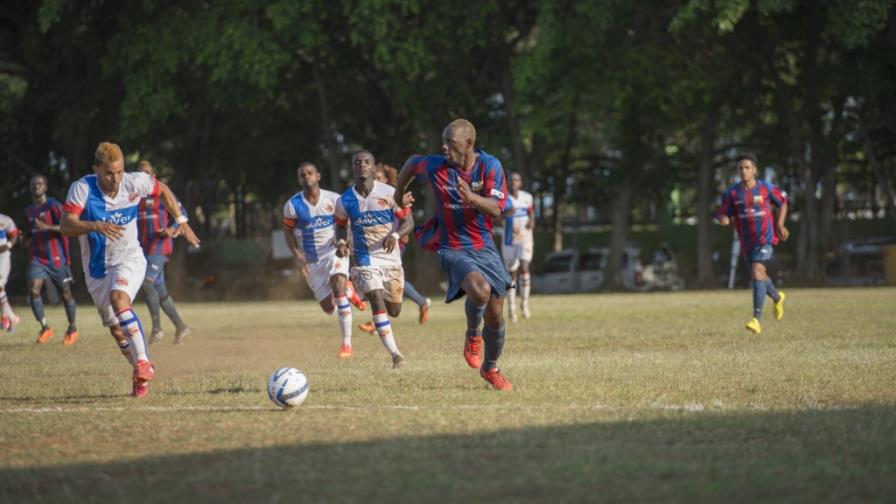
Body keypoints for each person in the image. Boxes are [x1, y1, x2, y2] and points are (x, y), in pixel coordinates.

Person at [61, 141, 200, 397]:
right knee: (116, 329)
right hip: (96, 268)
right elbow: (66, 226)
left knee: (119, 299)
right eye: (109, 173)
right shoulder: (82, 189)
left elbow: (163, 189)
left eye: (119, 171)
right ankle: (140, 371)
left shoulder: (134, 182)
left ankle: (143, 363)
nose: (115, 179)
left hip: (130, 259)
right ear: (96, 169)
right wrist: (95, 225)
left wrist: (181, 220)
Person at [395, 119, 513, 390]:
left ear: (468, 143)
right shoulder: (437, 166)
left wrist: (471, 198)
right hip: (452, 247)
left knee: (496, 315)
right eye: (443, 141)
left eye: (450, 142)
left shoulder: (490, 166)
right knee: (480, 291)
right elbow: (411, 164)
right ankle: (473, 335)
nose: (444, 147)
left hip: (485, 247)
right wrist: (398, 195)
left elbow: (496, 208)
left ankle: (491, 368)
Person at [335, 150, 413, 369]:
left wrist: (395, 235)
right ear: (352, 167)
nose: (362, 165)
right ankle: (396, 356)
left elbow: (408, 222)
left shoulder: (390, 193)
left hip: (390, 259)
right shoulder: (344, 200)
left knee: (394, 311)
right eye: (357, 162)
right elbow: (340, 226)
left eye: (366, 162)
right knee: (376, 297)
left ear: (373, 166)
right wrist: (341, 242)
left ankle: (354, 291)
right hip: (363, 258)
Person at [282, 162, 365, 359]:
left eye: (310, 173)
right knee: (329, 308)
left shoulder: (334, 199)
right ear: (299, 179)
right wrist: (297, 256)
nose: (307, 176)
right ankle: (349, 290)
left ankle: (346, 345)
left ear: (318, 176)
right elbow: (288, 232)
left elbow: (347, 224)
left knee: (338, 288)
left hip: (333, 252)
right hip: (311, 261)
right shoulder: (292, 205)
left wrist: (345, 242)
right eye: (303, 175)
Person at [716, 153, 789, 334]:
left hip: (765, 238)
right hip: (746, 242)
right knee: (760, 274)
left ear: (754, 170)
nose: (744, 171)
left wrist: (780, 224)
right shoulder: (732, 193)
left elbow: (783, 202)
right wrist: (724, 218)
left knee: (757, 271)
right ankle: (777, 297)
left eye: (747, 167)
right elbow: (722, 212)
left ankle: (756, 319)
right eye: (740, 168)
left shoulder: (766, 188)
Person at [357, 163, 431, 334]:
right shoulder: (368, 197)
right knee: (382, 281)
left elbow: (406, 218)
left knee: (385, 281)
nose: (376, 180)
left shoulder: (394, 194)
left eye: (379, 178)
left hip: (393, 246)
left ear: (386, 179)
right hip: (375, 247)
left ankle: (376, 322)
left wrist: (399, 234)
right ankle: (421, 302)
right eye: (374, 178)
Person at [135, 161, 191, 345]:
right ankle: (181, 327)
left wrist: (171, 228)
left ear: (153, 175)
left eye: (147, 173)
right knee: (159, 290)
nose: (143, 177)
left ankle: (157, 329)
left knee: (146, 282)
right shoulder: (134, 197)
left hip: (159, 246)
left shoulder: (161, 192)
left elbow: (182, 214)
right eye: (140, 174)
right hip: (143, 249)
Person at [24, 174, 79, 345]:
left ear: (45, 187)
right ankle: (45, 328)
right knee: (34, 290)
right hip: (38, 258)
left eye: (40, 183)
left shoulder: (53, 206)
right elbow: (30, 233)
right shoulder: (29, 211)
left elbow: (67, 226)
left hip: (56, 258)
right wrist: (24, 239)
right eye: (34, 183)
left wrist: (47, 227)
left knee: (66, 294)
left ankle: (72, 328)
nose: (36, 186)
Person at [501, 172, 535, 322]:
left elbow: (531, 213)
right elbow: (493, 218)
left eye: (516, 180)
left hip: (525, 237)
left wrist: (532, 221)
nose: (514, 182)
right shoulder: (502, 199)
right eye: (511, 180)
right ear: (507, 182)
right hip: (509, 240)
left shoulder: (527, 197)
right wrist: (505, 215)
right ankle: (512, 307)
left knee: (524, 267)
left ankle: (525, 304)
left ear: (520, 182)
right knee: (511, 274)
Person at [0, 213, 20, 333]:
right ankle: (10, 317)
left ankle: (7, 317)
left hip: (2, 257)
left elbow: (14, 234)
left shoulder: (4, 219)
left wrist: (7, 245)